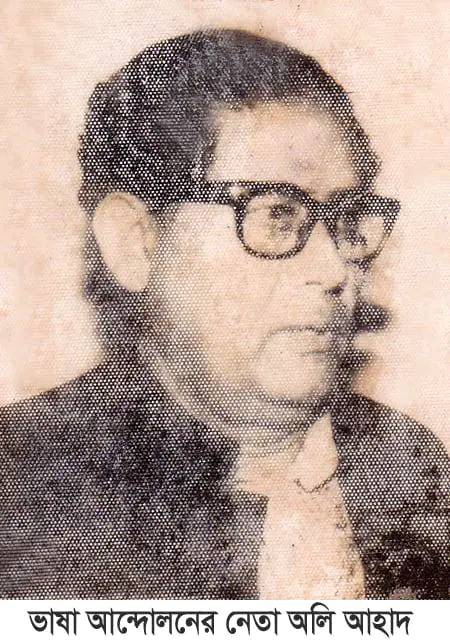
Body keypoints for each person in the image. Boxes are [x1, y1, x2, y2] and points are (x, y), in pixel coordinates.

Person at [1, 29, 448, 600]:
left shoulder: (412, 467)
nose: (336, 267)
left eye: (347, 219)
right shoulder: (19, 481)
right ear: (137, 243)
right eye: (276, 215)